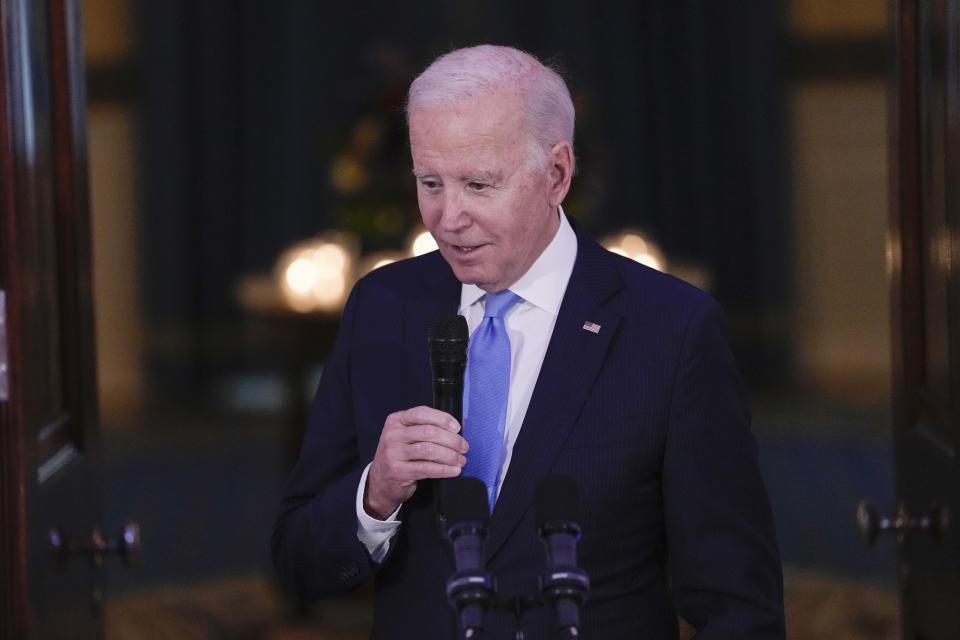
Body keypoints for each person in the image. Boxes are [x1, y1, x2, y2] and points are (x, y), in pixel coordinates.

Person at [273, 44, 785, 639]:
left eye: (479, 185)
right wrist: (375, 494)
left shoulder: (671, 330)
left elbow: (738, 607)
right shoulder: (382, 308)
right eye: (430, 182)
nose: (447, 217)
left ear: (557, 174)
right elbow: (297, 562)